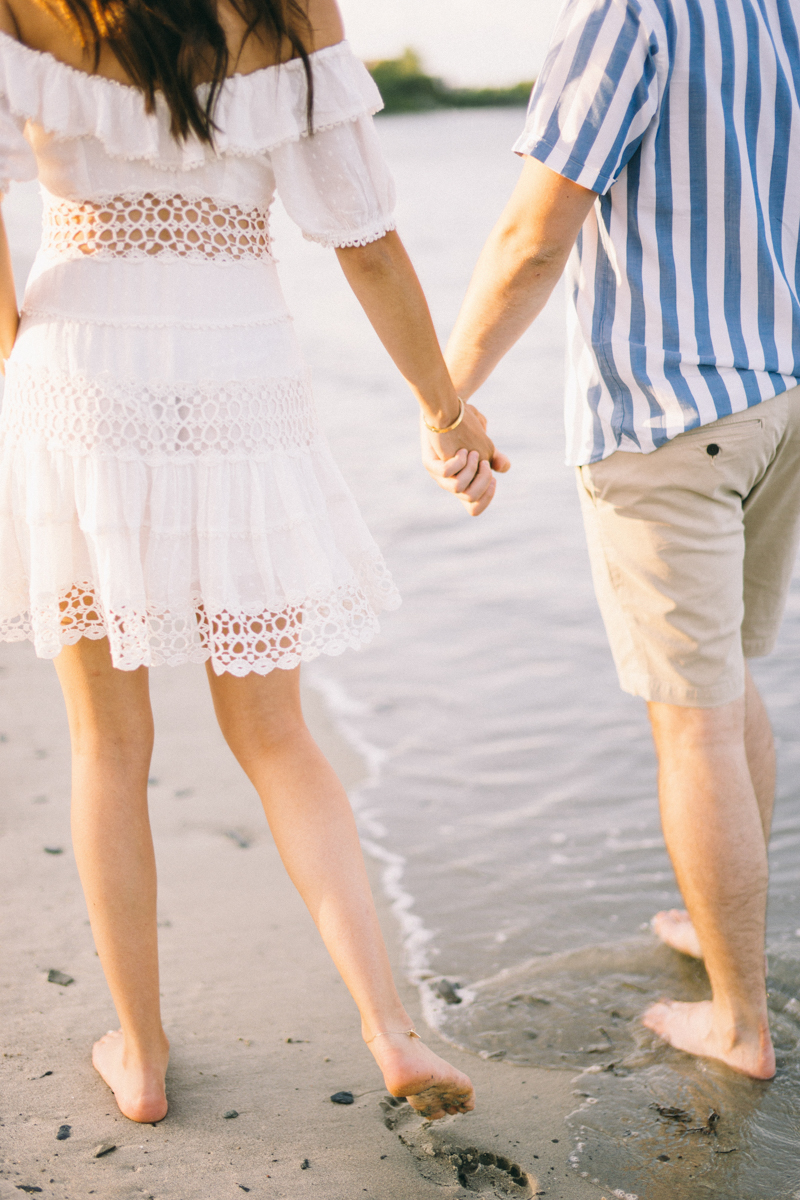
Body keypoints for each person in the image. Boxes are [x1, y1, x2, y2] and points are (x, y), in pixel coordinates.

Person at [0, 0, 508, 1124]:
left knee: (107, 740)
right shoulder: (289, 10)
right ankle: (386, 1028)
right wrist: (445, 413)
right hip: (238, 366)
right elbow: (365, 244)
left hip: (77, 365)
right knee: (276, 734)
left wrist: (19, 368)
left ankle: (138, 1054)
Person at [426, 0, 800, 1079]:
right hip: (775, 396)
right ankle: (717, 929)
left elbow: (531, 235)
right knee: (722, 684)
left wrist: (445, 398)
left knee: (689, 719)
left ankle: (735, 1020)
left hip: (665, 415)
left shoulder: (626, 14)